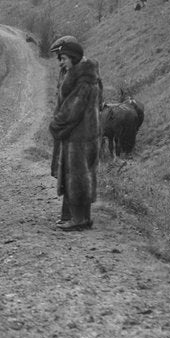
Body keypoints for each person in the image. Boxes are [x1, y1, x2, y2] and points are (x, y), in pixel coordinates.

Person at [49, 38, 101, 232]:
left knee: (77, 177)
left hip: (80, 137)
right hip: (84, 135)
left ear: (73, 58)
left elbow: (72, 109)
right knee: (80, 176)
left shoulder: (83, 81)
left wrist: (56, 124)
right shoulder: (85, 76)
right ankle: (78, 217)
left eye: (63, 58)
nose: (61, 62)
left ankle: (78, 220)